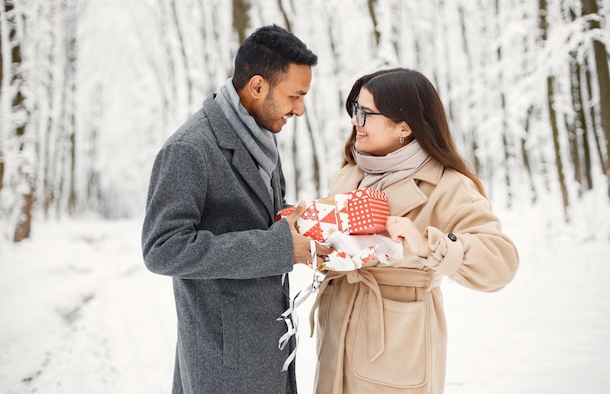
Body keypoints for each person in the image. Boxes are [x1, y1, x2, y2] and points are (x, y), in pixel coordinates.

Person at [142, 24, 329, 394]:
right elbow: (161, 249)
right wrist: (279, 247)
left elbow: (258, 217)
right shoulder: (189, 149)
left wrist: (300, 221)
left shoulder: (261, 136)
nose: (301, 109)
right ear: (257, 86)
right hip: (222, 360)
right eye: (295, 96)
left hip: (269, 347)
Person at [310, 68, 519, 394]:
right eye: (355, 110)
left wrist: (428, 246)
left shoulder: (449, 186)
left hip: (398, 345)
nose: (355, 121)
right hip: (338, 335)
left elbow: (501, 264)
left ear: (404, 126)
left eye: (365, 113)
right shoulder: (349, 175)